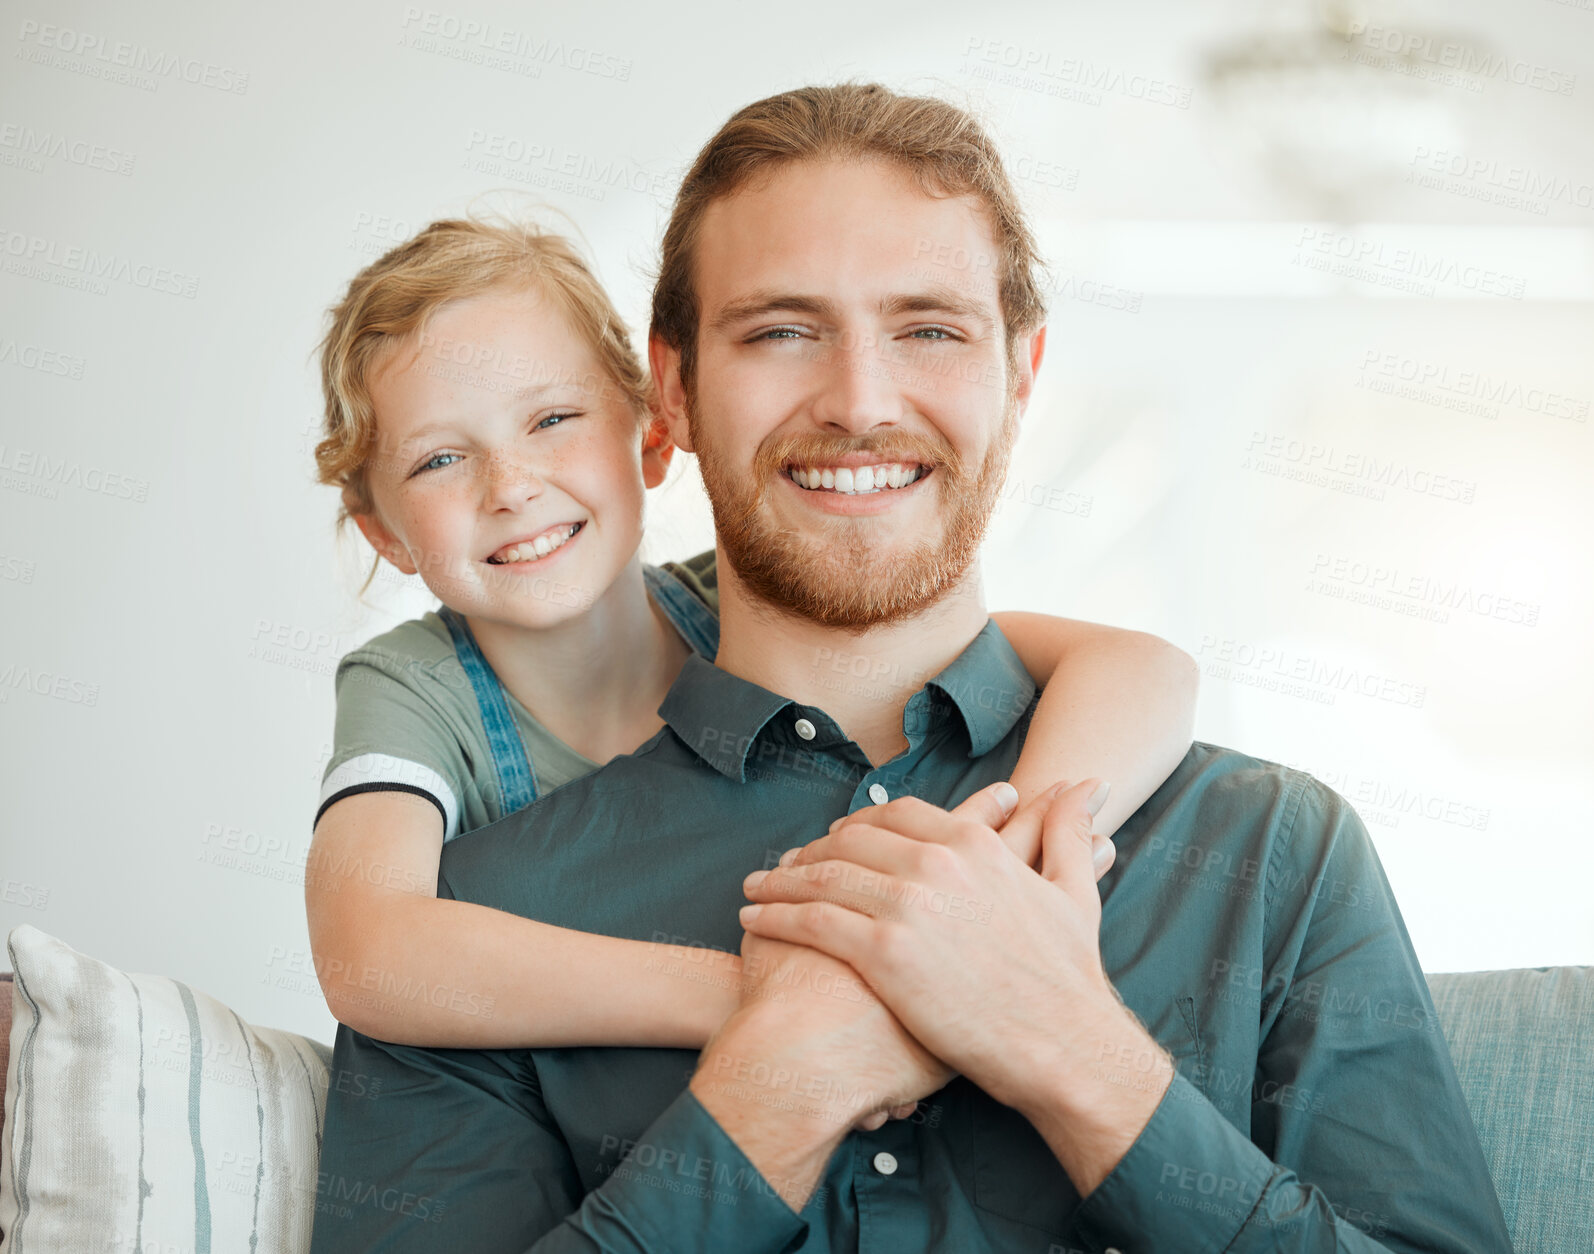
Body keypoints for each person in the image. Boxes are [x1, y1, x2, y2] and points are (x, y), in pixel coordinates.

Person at [308, 84, 1512, 1253]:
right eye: (782, 332)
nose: (859, 402)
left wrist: (1065, 1045)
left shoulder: (1272, 855)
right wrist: (773, 1092)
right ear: (672, 389)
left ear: (1021, 374)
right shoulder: (475, 939)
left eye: (928, 330)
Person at [304, 217, 1198, 1060]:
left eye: (551, 420)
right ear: (384, 531)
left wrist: (998, 896)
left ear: (654, 434)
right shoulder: (409, 685)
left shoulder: (744, 607)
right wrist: (761, 1000)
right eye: (440, 460)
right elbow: (367, 954)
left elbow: (1144, 669)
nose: (511, 486)